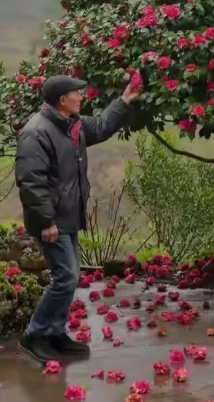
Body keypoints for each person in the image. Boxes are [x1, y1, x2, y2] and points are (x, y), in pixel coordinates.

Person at [14, 74, 143, 363]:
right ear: (62, 100)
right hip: (52, 220)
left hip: (68, 216)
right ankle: (34, 335)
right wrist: (46, 221)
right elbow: (31, 181)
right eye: (76, 93)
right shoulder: (36, 132)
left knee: (70, 277)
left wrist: (124, 101)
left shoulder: (70, 126)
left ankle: (55, 332)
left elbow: (99, 126)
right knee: (66, 277)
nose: (81, 97)